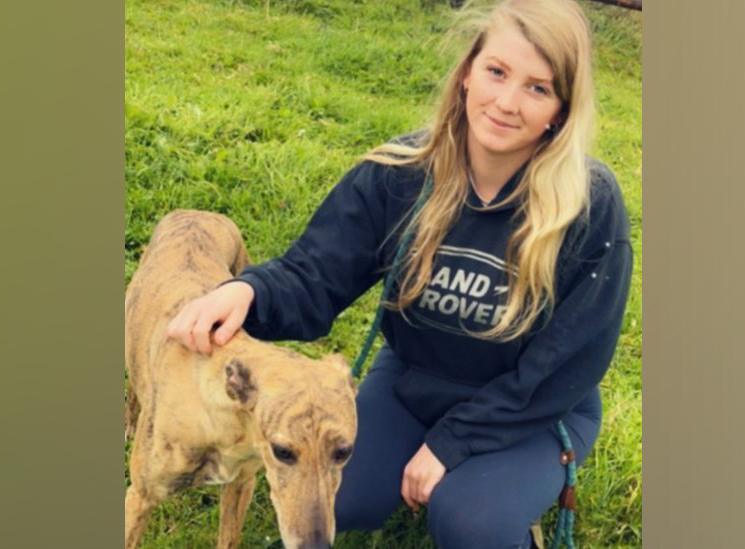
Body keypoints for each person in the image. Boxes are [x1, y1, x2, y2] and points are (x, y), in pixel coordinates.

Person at [166, 0, 633, 547]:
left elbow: (568, 362)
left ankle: (501, 498)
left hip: (534, 405)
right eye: (497, 72)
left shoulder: (588, 206)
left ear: (561, 108)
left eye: (538, 88)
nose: (507, 102)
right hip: (414, 381)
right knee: (335, 492)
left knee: (469, 522)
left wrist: (452, 445)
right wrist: (249, 291)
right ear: (466, 74)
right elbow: (317, 270)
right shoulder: (400, 174)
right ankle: (457, 475)